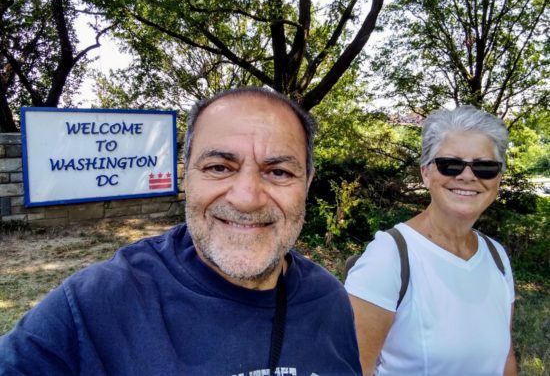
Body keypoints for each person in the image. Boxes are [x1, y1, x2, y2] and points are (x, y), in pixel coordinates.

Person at [0, 87, 361, 376]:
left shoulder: (330, 301)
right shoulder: (94, 305)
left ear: (307, 183)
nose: (247, 198)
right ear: (187, 175)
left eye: (278, 172)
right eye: (219, 167)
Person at [345, 105, 517, 376]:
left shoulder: (496, 257)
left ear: (498, 179)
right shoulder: (389, 257)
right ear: (425, 173)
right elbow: (354, 368)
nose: (467, 176)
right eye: (450, 164)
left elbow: (505, 358)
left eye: (485, 167)